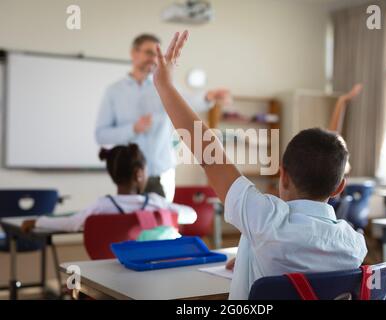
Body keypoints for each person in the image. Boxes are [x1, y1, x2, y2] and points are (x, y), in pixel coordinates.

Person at [151, 30, 368, 299]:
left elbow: (210, 156)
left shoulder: (265, 220)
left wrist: (164, 85)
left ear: (283, 175)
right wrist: (247, 260)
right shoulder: (354, 244)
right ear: (339, 187)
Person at [95, 34, 231, 201]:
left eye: (157, 54)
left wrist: (208, 96)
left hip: (161, 172)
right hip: (127, 177)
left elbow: (188, 101)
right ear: (133, 53)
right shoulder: (114, 91)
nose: (154, 58)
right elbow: (101, 134)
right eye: (149, 52)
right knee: (132, 224)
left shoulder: (163, 85)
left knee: (164, 225)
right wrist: (132, 129)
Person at [21, 144, 196, 233]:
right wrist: (162, 213)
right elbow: (191, 215)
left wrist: (37, 221)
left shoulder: (102, 206)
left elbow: (70, 223)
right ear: (139, 174)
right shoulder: (156, 203)